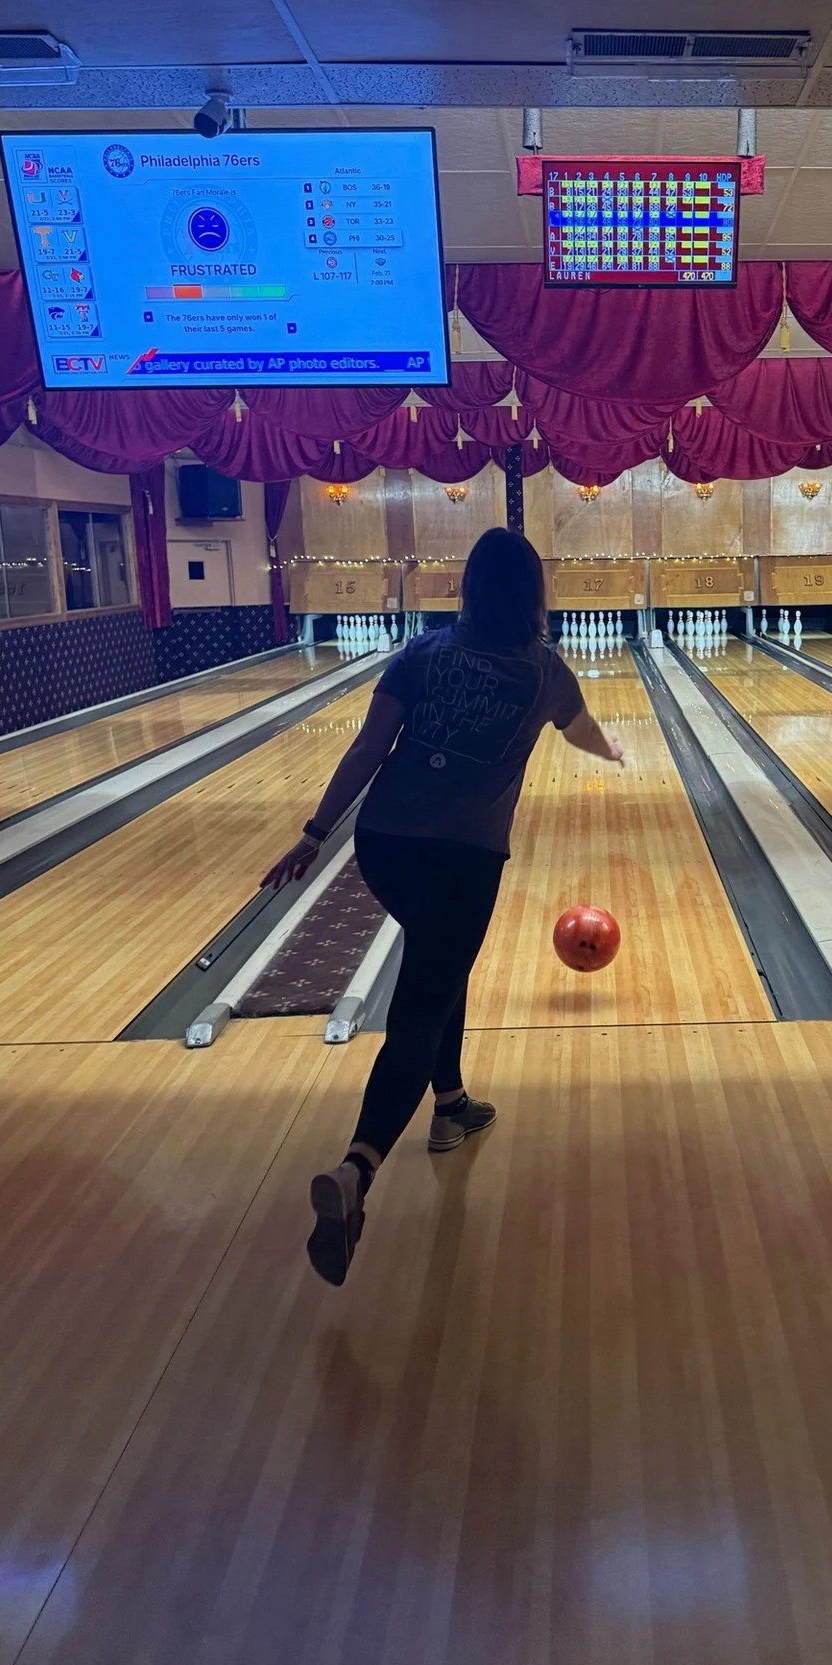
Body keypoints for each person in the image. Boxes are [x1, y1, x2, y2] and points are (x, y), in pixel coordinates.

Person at [263, 527, 624, 1286]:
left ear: (468, 588)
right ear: (534, 595)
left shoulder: (421, 654)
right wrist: (613, 752)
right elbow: (582, 731)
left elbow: (367, 750)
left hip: (384, 847)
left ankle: (452, 1102)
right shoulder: (545, 671)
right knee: (421, 1005)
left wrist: (314, 834)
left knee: (438, 960)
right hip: (463, 859)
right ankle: (357, 1169)